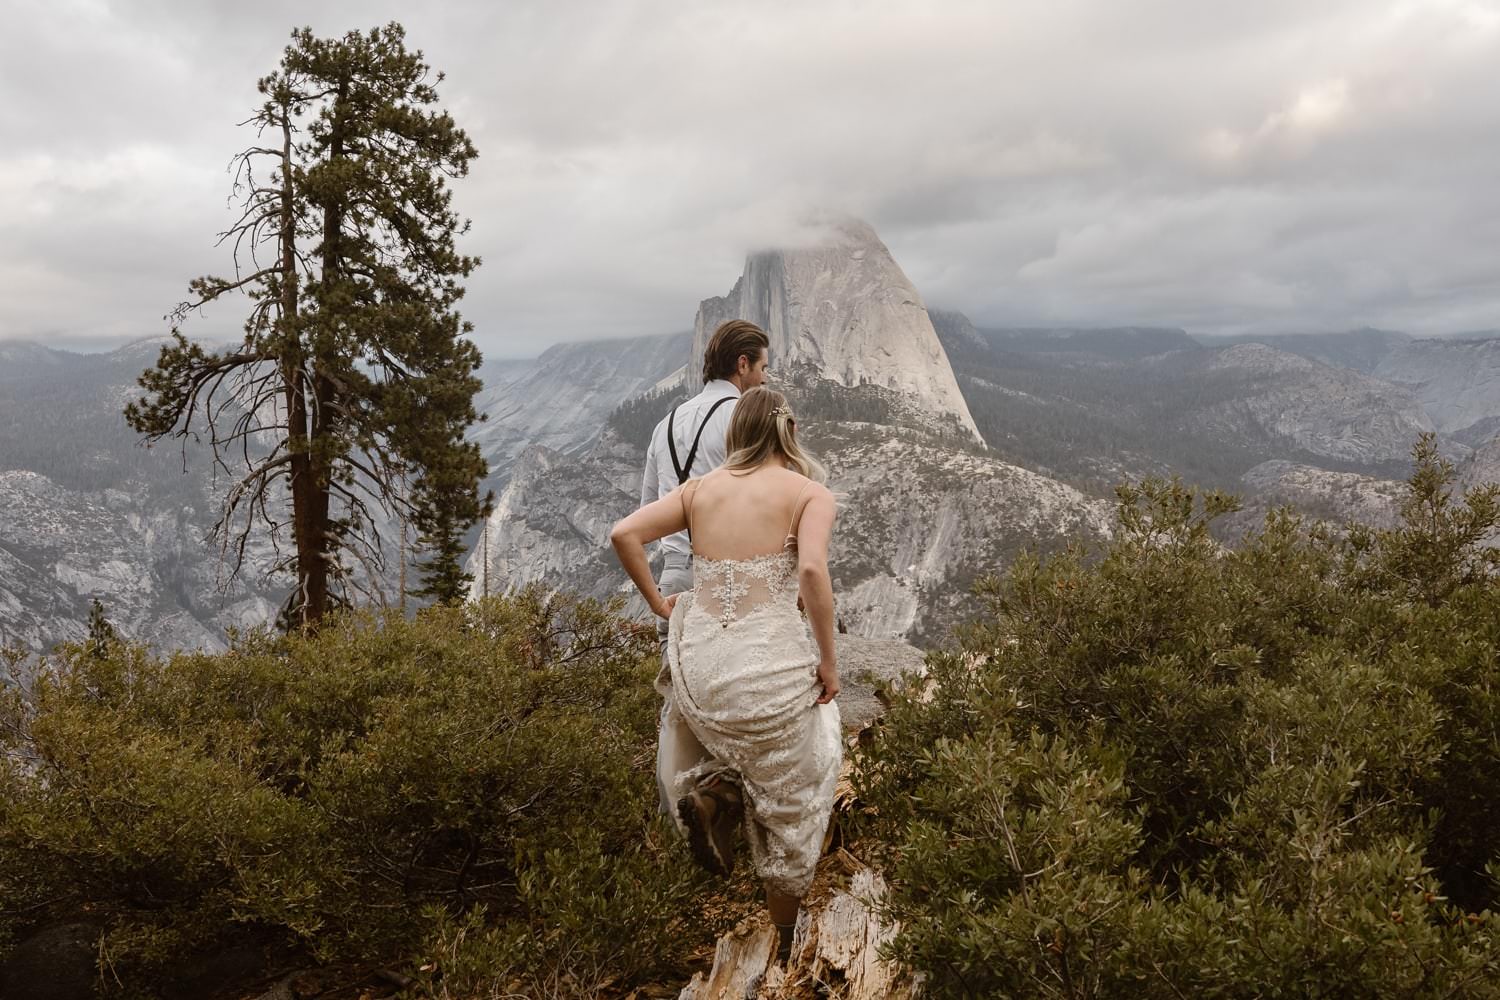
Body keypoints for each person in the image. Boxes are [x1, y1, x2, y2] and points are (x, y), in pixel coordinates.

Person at [611, 387, 841, 965]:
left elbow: (623, 534)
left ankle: (718, 796)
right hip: (768, 672)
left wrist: (660, 603)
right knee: (800, 779)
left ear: (736, 431)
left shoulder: (698, 490)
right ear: (787, 432)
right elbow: (811, 569)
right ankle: (785, 942)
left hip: (703, 673)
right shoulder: (809, 493)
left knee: (740, 739)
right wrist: (828, 660)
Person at [639, 320, 770, 811]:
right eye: (762, 368)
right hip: (729, 578)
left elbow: (647, 509)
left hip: (674, 575)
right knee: (737, 699)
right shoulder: (745, 418)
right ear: (742, 365)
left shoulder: (665, 423)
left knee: (680, 706)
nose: (763, 379)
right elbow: (764, 502)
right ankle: (731, 810)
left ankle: (675, 814)